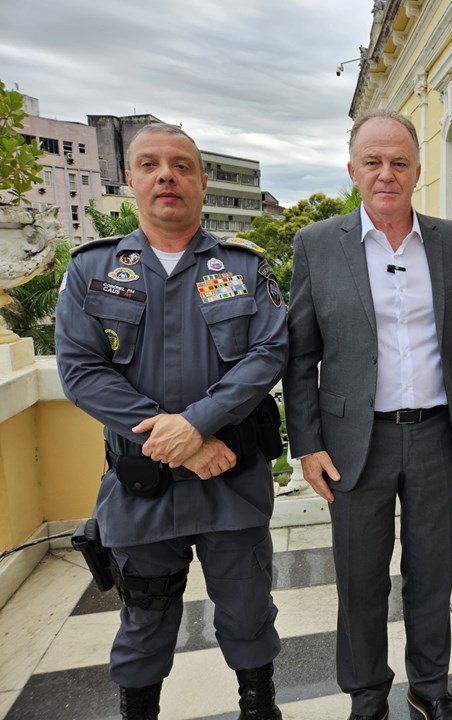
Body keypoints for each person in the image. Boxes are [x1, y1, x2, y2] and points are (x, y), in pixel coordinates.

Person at [56, 123, 288, 719]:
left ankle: (258, 709)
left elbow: (269, 352)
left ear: (202, 182)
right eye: (151, 164)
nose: (167, 175)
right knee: (145, 619)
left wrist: (200, 423)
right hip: (144, 487)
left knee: (248, 611)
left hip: (232, 481)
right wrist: (182, 440)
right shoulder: (92, 270)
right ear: (129, 179)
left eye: (182, 165)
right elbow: (81, 370)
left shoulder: (243, 268)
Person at [283, 109, 452, 720]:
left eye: (399, 162)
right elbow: (301, 353)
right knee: (360, 581)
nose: (386, 174)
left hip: (435, 438)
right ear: (352, 170)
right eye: (372, 162)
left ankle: (430, 691)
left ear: (418, 171)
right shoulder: (317, 244)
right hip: (354, 443)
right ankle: (367, 698)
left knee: (432, 577)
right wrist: (307, 443)